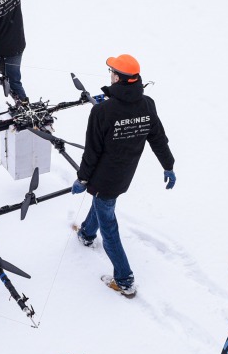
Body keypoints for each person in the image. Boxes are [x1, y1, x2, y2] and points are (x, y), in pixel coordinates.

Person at [72, 54, 176, 299]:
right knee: (103, 203)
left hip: (103, 178)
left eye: (111, 71)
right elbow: (158, 138)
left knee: (109, 227)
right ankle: (87, 233)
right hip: (124, 174)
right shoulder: (147, 104)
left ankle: (125, 279)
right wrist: (168, 165)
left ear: (118, 77)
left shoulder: (103, 111)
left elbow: (92, 152)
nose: (110, 74)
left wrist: (82, 179)